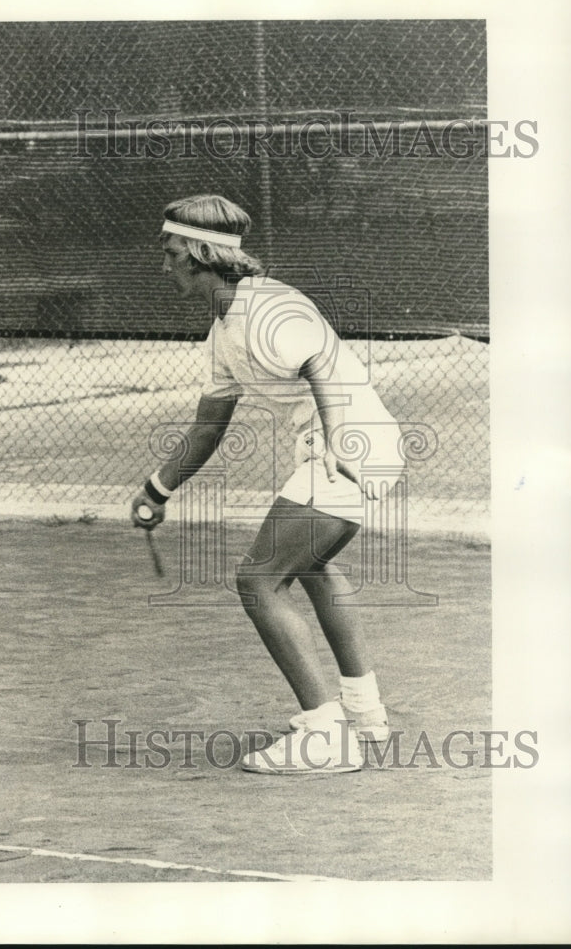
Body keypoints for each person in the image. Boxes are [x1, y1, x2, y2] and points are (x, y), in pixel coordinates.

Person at [131, 195, 403, 774]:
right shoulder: (224, 329)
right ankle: (365, 714)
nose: (165, 266)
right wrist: (158, 488)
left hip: (351, 452)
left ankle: (325, 737)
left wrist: (334, 441)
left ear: (202, 255)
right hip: (348, 451)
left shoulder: (271, 309)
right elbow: (209, 426)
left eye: (173, 253)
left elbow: (323, 370)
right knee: (309, 565)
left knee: (257, 577)